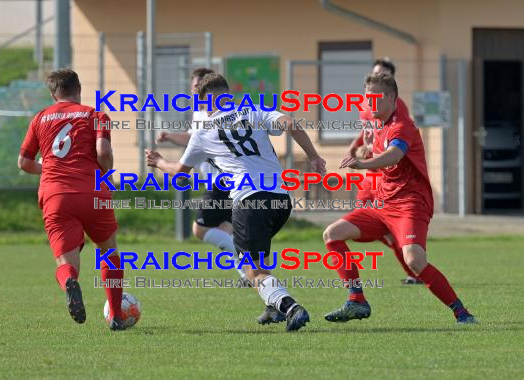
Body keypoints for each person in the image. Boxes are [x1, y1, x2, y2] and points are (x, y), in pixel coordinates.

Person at [147, 73, 327, 332]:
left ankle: (290, 307)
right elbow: (291, 124)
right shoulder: (254, 109)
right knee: (260, 258)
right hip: (281, 200)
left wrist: (158, 161)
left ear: (205, 101)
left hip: (249, 201)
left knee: (251, 270)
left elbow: (178, 172)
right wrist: (314, 156)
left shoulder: (202, 131)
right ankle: (271, 307)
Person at [323, 73, 477, 324]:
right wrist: (364, 151)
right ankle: (357, 301)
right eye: (366, 97)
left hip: (410, 205)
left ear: (392, 98)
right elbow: (381, 155)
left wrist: (363, 163)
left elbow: (394, 155)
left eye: (375, 97)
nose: (368, 103)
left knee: (415, 261)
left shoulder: (401, 125)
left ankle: (461, 312)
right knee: (332, 234)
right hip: (382, 204)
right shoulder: (377, 126)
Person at [18, 69, 125, 331]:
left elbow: (24, 162)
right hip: (92, 191)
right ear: (78, 88)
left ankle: (69, 282)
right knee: (108, 250)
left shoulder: (40, 118)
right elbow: (103, 151)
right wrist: (108, 174)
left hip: (55, 195)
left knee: (66, 263)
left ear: (53, 94)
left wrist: (51, 169)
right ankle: (116, 316)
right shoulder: (95, 115)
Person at [156, 67, 249, 284]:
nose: (195, 91)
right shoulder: (204, 112)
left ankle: (248, 269)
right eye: (193, 87)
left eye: (198, 87)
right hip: (233, 179)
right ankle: (247, 273)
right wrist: (170, 135)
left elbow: (193, 143)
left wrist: (160, 161)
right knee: (225, 229)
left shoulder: (209, 114)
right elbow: (192, 139)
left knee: (200, 229)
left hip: (222, 180)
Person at [347, 58, 423, 285]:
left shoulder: (397, 107)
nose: (378, 76)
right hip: (370, 174)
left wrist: (369, 150)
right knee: (363, 218)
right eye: (376, 73)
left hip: (385, 174)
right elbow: (368, 130)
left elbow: (396, 140)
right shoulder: (367, 103)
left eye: (383, 74)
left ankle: (413, 267)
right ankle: (409, 264)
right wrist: (356, 145)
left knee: (382, 226)